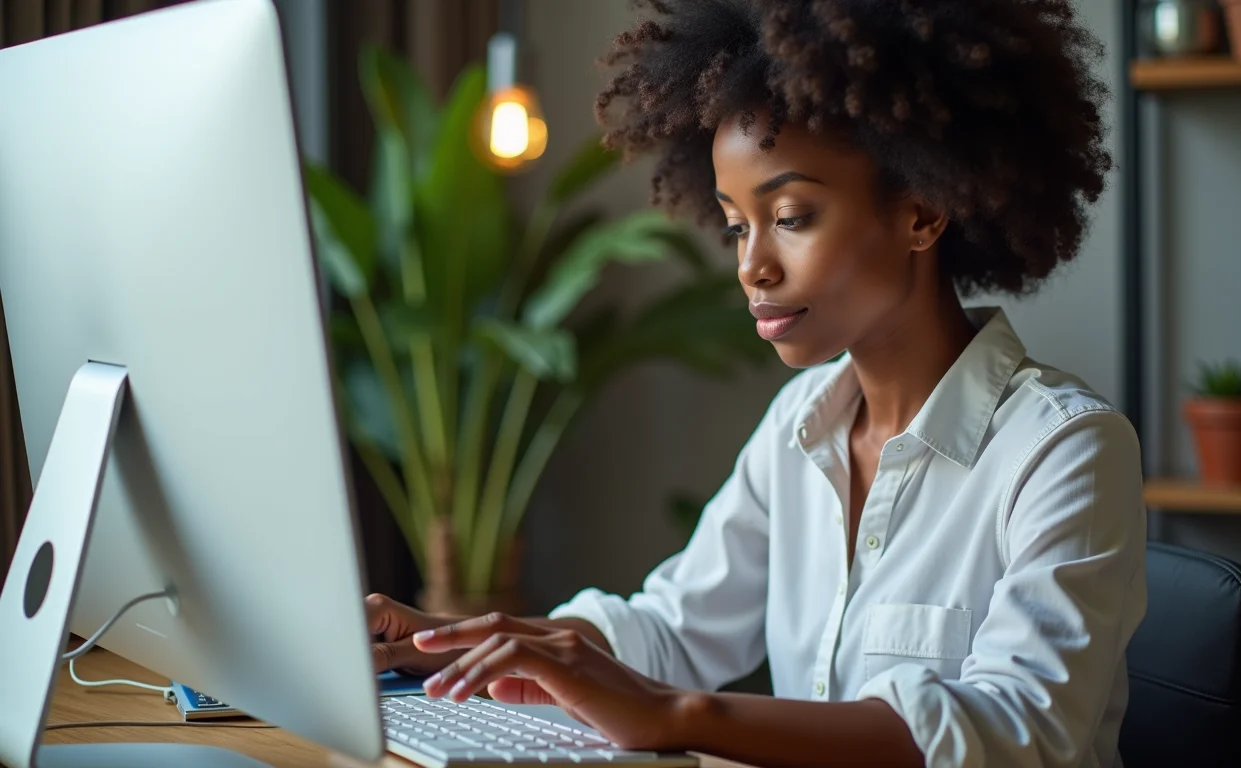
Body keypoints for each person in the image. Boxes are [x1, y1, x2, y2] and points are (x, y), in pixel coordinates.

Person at [363, 1, 1146, 765]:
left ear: (923, 211)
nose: (751, 266)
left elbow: (1017, 731)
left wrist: (679, 716)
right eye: (738, 224)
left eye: (793, 215)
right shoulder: (801, 423)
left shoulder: (1064, 451)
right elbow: (675, 630)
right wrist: (451, 646)